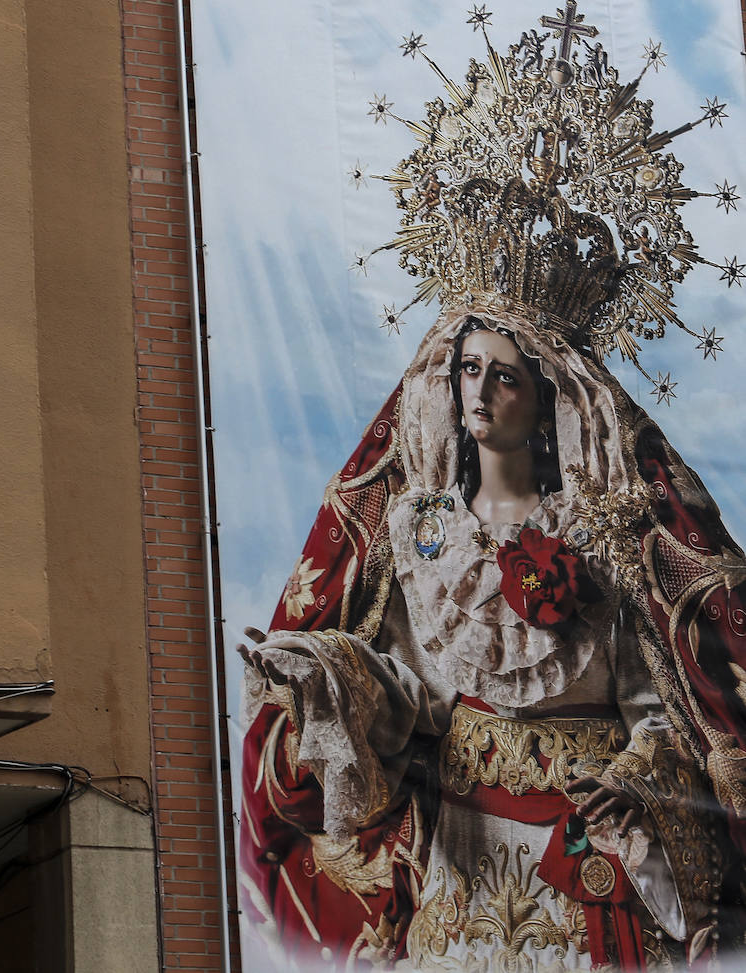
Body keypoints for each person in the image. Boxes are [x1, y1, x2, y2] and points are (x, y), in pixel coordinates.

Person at [234, 12, 746, 970]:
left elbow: (654, 700)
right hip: (461, 864)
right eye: (467, 370)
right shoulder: (419, 531)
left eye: (504, 374)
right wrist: (332, 679)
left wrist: (639, 783)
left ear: (547, 394)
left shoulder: (602, 527)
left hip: (587, 857)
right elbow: (410, 697)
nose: (480, 391)